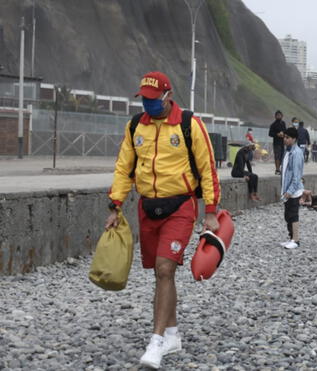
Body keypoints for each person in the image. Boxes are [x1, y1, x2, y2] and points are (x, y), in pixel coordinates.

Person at [105, 71, 221, 369]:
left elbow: (208, 168)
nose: (148, 104)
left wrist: (210, 211)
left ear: (168, 97)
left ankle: (155, 342)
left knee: (165, 268)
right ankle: (172, 334)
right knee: (160, 273)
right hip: (148, 207)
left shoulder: (189, 124)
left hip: (180, 206)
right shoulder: (135, 126)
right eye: (144, 98)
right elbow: (123, 168)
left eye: (153, 99)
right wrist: (115, 205)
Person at [279, 127, 304, 249]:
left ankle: (296, 240)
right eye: (284, 137)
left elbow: (297, 176)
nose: (285, 139)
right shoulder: (288, 151)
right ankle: (291, 238)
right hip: (287, 189)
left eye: (287, 137)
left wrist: (289, 191)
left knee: (293, 215)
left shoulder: (297, 153)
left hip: (293, 191)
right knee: (287, 215)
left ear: (294, 139)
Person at [268, 110, 286, 175]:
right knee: (277, 156)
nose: (279, 116)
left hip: (282, 143)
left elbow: (285, 131)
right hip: (276, 143)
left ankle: (281, 169)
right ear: (275, 116)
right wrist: (277, 134)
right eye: (277, 115)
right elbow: (270, 134)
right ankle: (277, 170)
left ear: (282, 116)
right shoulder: (273, 125)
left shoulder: (283, 123)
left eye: (280, 115)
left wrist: (283, 134)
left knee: (282, 156)